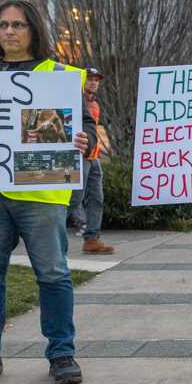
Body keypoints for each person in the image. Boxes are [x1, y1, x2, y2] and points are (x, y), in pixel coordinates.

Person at [0, 0, 95, 384]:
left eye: (18, 25)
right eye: (2, 25)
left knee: (54, 274)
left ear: (34, 30)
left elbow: (91, 133)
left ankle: (62, 354)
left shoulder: (60, 76)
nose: (9, 31)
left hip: (42, 193)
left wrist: (84, 140)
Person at [68, 68, 115, 252]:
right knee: (74, 198)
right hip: (80, 156)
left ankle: (92, 239)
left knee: (97, 198)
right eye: (90, 79)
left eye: (96, 80)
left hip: (94, 157)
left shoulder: (95, 103)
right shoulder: (74, 100)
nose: (93, 83)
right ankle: (38, 231)